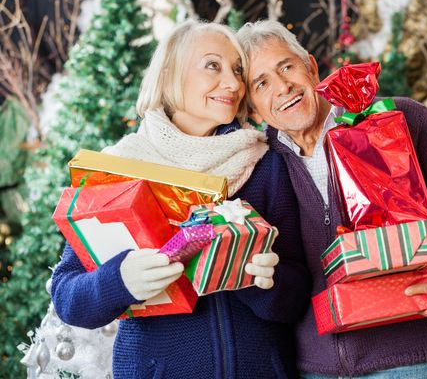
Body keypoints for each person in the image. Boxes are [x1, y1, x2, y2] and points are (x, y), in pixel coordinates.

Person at [236, 20, 427, 378]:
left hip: (410, 360)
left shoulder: (393, 120)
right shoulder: (262, 167)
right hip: (315, 368)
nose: (283, 87)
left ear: (310, 65)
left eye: (287, 67)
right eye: (262, 84)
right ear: (253, 110)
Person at [51, 20, 310, 379]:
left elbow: (297, 295)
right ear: (170, 73)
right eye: (212, 66)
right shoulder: (121, 168)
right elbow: (67, 297)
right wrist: (120, 281)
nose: (234, 83)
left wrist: (265, 282)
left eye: (237, 70)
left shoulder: (265, 164)